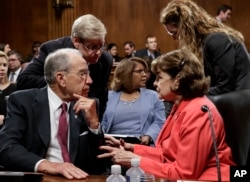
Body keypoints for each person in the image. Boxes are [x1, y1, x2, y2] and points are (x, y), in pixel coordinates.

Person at [98, 49, 234, 181]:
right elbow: (166, 155)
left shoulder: (198, 112)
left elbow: (184, 174)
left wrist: (135, 160)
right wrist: (132, 148)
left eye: (159, 78)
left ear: (178, 80)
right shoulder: (181, 105)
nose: (155, 83)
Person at [0, 48, 108, 179]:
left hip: (77, 179)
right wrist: (47, 164)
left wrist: (94, 125)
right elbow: (7, 147)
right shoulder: (23, 101)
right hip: (40, 177)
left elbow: (99, 164)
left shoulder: (89, 106)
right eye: (83, 74)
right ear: (61, 78)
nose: (90, 80)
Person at [17, 14, 113, 120]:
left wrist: (95, 128)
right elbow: (24, 80)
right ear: (76, 41)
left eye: (101, 46)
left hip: (83, 118)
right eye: (93, 47)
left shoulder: (105, 60)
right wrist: (66, 83)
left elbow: (101, 97)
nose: (99, 52)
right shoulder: (52, 50)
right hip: (49, 114)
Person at [160, 0, 250, 96]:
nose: (174, 38)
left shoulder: (217, 39)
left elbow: (225, 87)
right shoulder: (205, 41)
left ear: (186, 27)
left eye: (174, 33)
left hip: (238, 101)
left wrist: (190, 95)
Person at [101, 57, 165, 145]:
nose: (144, 75)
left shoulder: (153, 96)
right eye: (140, 71)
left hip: (141, 145)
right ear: (126, 74)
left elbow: (159, 122)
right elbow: (102, 122)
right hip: (113, 143)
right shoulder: (108, 96)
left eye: (145, 71)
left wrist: (149, 136)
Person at [0, 51, 17, 127]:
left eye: (4, 65)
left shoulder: (16, 87)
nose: (2, 68)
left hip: (9, 131)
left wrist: (5, 119)